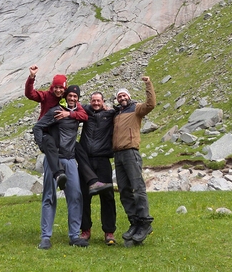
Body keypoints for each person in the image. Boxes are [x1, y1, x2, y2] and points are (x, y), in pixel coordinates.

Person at [25, 65, 112, 194]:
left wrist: (69, 114)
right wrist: (32, 77)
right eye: (56, 87)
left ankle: (92, 181)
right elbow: (30, 94)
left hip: (60, 134)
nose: (59, 90)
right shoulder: (46, 96)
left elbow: (83, 115)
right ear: (52, 87)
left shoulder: (67, 100)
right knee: (51, 147)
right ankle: (59, 174)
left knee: (78, 148)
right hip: (47, 132)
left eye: (61, 88)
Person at [33, 85, 89, 249]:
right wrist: (43, 147)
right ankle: (45, 237)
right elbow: (37, 127)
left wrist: (70, 114)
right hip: (54, 159)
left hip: (70, 159)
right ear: (66, 96)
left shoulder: (77, 112)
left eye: (75, 96)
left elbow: (85, 115)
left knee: (76, 196)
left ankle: (74, 236)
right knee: (49, 197)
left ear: (78, 99)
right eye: (70, 95)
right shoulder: (55, 111)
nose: (72, 98)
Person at [113, 76, 156, 244]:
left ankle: (145, 222)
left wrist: (148, 83)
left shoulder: (136, 109)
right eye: (119, 96)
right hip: (118, 154)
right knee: (124, 190)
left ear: (129, 96)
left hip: (131, 152)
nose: (122, 98)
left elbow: (151, 104)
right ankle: (134, 222)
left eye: (124, 95)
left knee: (137, 188)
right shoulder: (117, 113)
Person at [78, 92, 117, 245]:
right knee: (84, 196)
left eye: (98, 101)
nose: (96, 103)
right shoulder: (85, 111)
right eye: (93, 100)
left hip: (103, 160)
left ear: (103, 102)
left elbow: (123, 108)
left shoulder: (110, 113)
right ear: (90, 101)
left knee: (107, 196)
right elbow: (74, 104)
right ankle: (85, 230)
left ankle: (109, 232)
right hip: (86, 161)